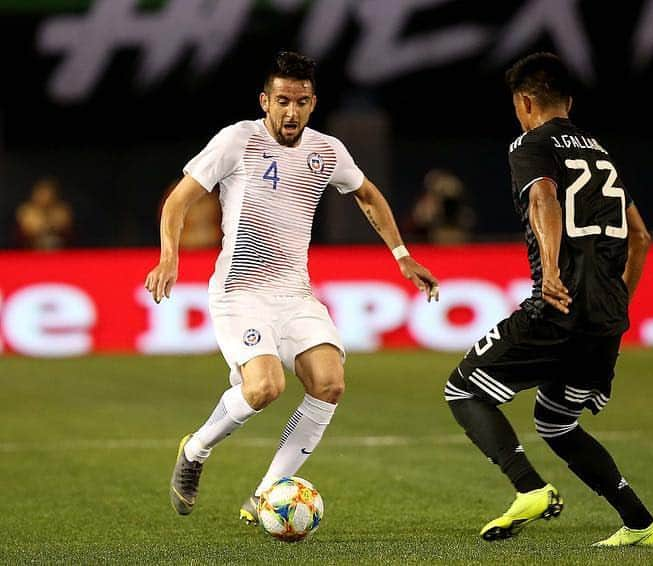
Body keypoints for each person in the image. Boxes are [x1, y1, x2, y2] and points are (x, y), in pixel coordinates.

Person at [144, 50, 439, 523]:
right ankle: (196, 449)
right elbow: (178, 201)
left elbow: (367, 194)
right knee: (264, 388)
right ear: (265, 101)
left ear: (313, 103)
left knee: (330, 383)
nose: (291, 112)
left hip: (295, 293)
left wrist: (402, 256)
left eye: (301, 102)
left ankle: (264, 494)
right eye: (282, 100)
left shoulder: (327, 151)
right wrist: (169, 256)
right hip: (240, 293)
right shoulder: (236, 141)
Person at [444, 53, 653, 547]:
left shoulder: (530, 144)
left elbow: (542, 197)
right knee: (556, 421)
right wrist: (617, 299)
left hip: (561, 305)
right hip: (608, 315)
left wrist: (548, 271)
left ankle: (530, 489)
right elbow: (642, 237)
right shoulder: (601, 151)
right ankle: (640, 524)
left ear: (525, 102)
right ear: (569, 101)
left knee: (463, 390)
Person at [408, 168, 476, 244]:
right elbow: (420, 219)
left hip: (458, 234)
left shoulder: (461, 206)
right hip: (437, 236)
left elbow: (469, 220)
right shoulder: (428, 203)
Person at [15, 176, 73, 250]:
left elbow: (64, 227)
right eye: (42, 193)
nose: (46, 197)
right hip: (30, 252)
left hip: (60, 252)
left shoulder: (62, 210)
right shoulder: (26, 211)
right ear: (35, 194)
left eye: (48, 193)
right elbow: (28, 230)